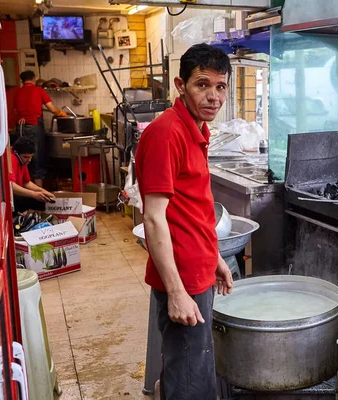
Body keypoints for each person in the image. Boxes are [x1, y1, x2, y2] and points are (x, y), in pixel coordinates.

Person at [135, 43, 234, 400]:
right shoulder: (167, 133)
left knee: (191, 368)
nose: (213, 96)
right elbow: (154, 218)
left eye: (220, 87)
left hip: (197, 268)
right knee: (191, 380)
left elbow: (192, 210)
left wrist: (216, 259)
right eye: (202, 85)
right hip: (182, 278)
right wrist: (176, 292)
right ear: (180, 85)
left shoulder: (197, 129)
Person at [13, 70, 66, 187]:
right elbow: (52, 109)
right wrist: (61, 113)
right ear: (34, 79)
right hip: (34, 127)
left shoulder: (18, 93)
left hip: (20, 128)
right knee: (37, 159)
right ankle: (39, 194)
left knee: (22, 158)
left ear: (22, 81)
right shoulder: (38, 90)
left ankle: (23, 193)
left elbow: (15, 111)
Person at [9, 136, 56, 212]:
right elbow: (11, 186)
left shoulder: (22, 160)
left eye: (31, 157)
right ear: (16, 153)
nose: (29, 160)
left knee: (42, 200)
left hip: (16, 194)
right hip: (8, 198)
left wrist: (43, 191)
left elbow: (26, 182)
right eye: (26, 157)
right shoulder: (12, 159)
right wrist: (34, 194)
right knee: (36, 202)